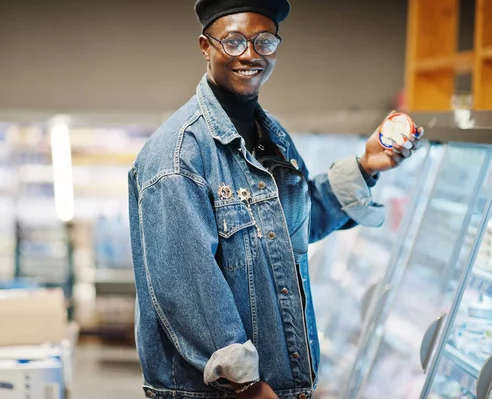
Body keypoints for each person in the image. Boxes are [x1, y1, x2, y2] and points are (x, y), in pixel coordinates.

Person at [127, 1, 423, 398]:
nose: (250, 54)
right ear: (205, 46)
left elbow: (292, 225)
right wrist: (247, 384)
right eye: (233, 42)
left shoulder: (271, 137)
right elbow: (185, 287)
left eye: (263, 41)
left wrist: (366, 165)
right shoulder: (178, 155)